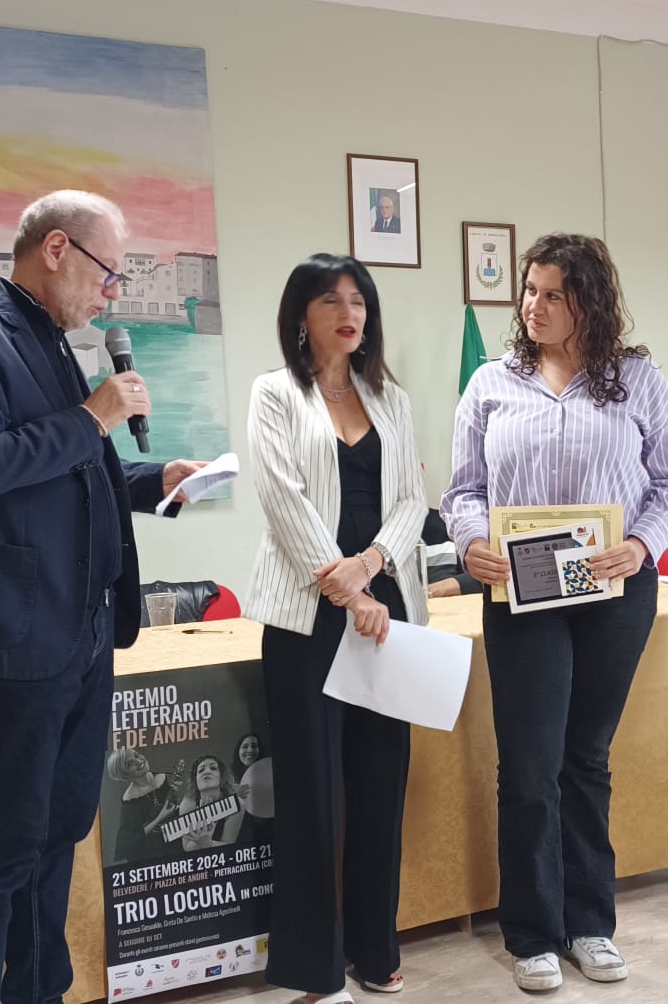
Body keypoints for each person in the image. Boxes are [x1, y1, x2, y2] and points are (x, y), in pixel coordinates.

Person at [0, 189, 206, 1004]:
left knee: (59, 831)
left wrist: (153, 479)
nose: (110, 294)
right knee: (5, 845)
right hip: (21, 638)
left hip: (83, 632)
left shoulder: (50, 341)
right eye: (107, 273)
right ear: (55, 249)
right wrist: (93, 417)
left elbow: (69, 467)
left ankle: (39, 991)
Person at [443, 233, 668, 992]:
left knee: (585, 758)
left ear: (590, 300)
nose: (535, 305)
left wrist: (642, 545)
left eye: (554, 293)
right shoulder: (492, 382)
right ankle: (532, 933)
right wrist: (471, 542)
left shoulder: (638, 379)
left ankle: (590, 924)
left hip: (613, 590)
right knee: (529, 766)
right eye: (530, 290)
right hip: (522, 593)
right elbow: (462, 491)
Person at [245, 253, 428, 1004]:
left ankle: (373, 949)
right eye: (330, 300)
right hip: (307, 616)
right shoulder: (275, 393)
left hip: (386, 608)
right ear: (302, 314)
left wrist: (373, 564)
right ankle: (315, 970)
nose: (349, 313)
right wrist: (348, 589)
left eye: (358, 300)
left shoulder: (391, 397)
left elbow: (414, 497)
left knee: (382, 783)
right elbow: (282, 498)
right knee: (312, 794)